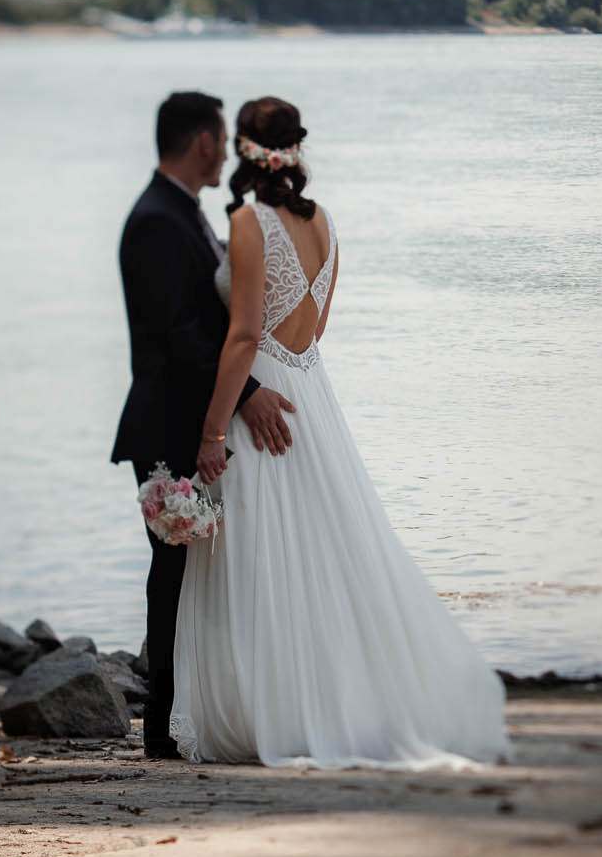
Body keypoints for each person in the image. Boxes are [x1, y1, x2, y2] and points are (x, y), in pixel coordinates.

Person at [168, 96, 510, 769]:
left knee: (263, 555)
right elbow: (316, 327)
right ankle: (326, 698)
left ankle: (273, 707)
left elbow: (241, 337)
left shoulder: (247, 221)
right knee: (321, 554)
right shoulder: (323, 222)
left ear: (243, 149)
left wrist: (213, 431)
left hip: (260, 398)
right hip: (311, 393)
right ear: (295, 150)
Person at [111, 91, 298, 760]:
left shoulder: (182, 212)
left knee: (192, 568)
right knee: (172, 568)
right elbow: (181, 334)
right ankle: (160, 726)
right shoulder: (157, 220)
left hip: (189, 417)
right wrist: (246, 392)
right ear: (200, 142)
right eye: (220, 139)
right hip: (166, 424)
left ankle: (190, 708)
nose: (226, 151)